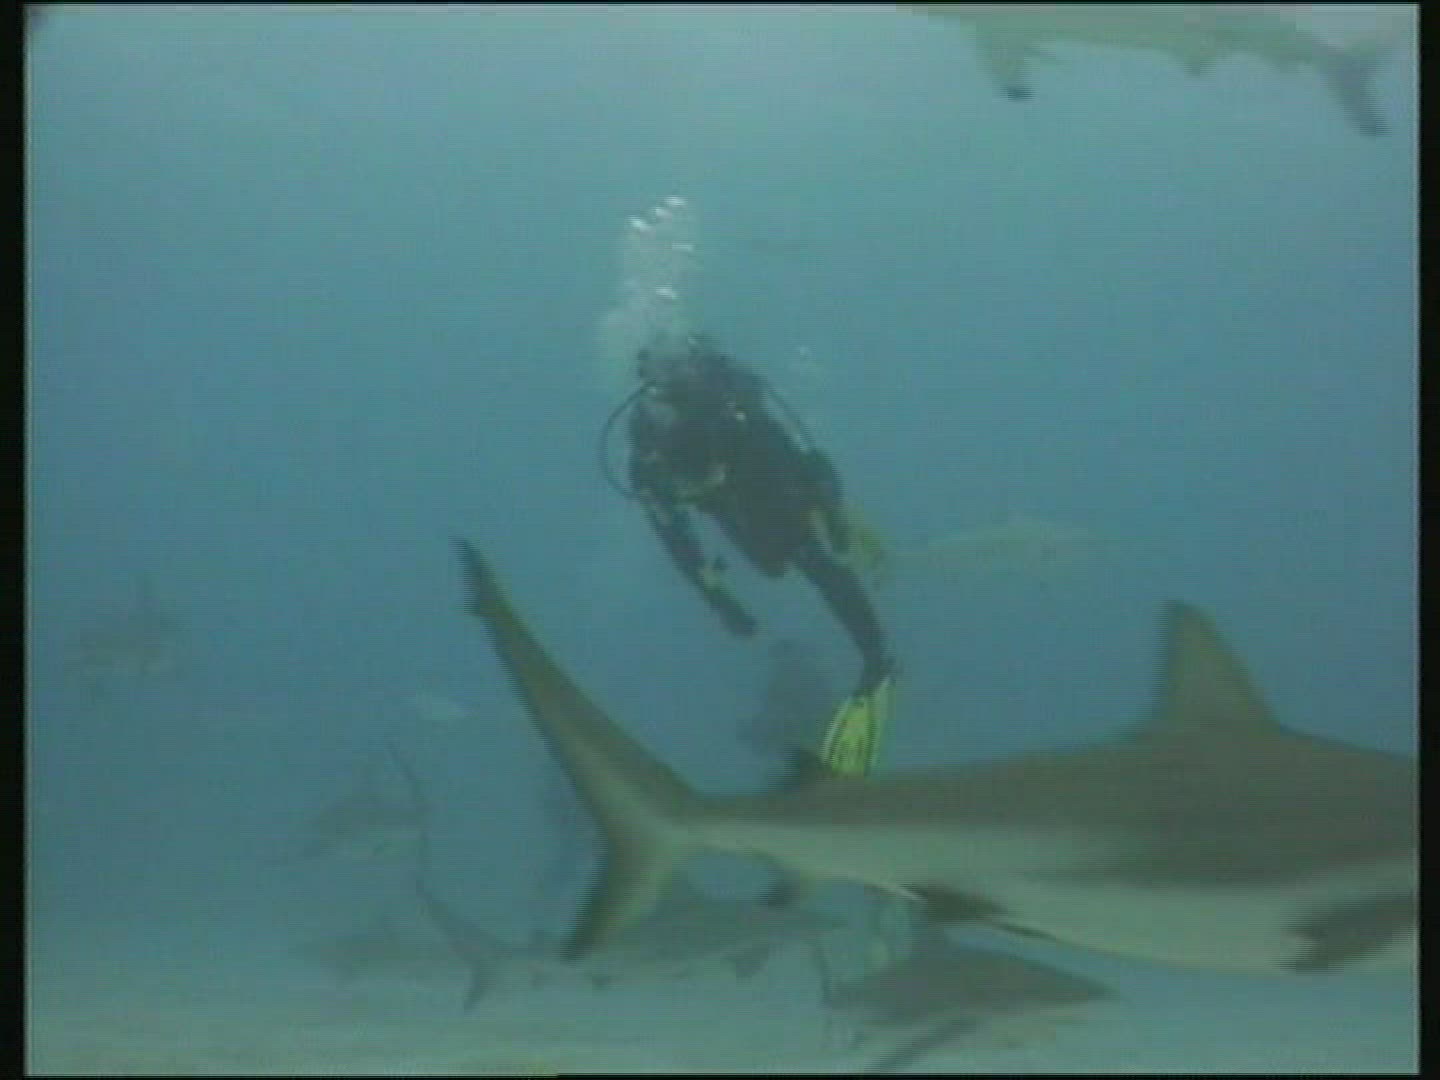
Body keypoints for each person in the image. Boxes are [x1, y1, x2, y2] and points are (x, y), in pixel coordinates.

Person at [606, 331, 896, 777]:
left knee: (810, 556)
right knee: (778, 563)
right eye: (662, 369)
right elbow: (675, 536)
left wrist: (829, 508)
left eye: (680, 365)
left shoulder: (733, 402)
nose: (675, 377)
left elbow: (802, 453)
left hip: (768, 479)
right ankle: (872, 654)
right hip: (733, 500)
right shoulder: (649, 444)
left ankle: (876, 658)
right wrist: (717, 598)